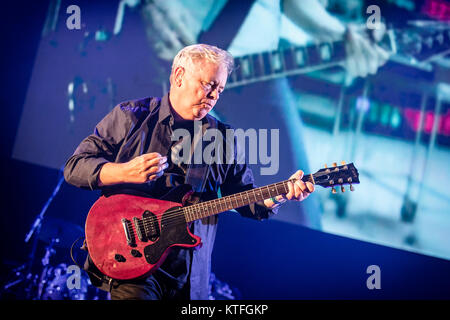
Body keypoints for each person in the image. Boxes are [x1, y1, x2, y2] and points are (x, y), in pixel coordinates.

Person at [64, 44, 315, 300]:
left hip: (190, 276)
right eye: (208, 85)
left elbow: (246, 199)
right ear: (178, 76)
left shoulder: (223, 138)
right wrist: (125, 171)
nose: (214, 95)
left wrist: (283, 194)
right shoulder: (132, 117)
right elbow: (75, 167)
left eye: (220, 89)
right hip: (135, 267)